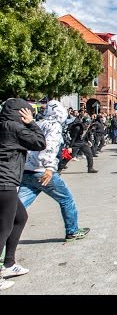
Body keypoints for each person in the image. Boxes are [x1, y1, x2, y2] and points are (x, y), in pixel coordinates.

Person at [18, 100, 90, 243]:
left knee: (17, 207)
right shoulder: (54, 126)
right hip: (43, 170)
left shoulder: (37, 124)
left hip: (27, 170)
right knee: (66, 199)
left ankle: (3, 243)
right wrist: (50, 168)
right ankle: (72, 231)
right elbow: (50, 146)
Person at [0, 98, 46, 290]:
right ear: (22, 113)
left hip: (5, 182)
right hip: (5, 182)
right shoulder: (15, 127)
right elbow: (40, 142)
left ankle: (9, 264)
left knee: (20, 217)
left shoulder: (3, 125)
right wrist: (31, 122)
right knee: (3, 229)